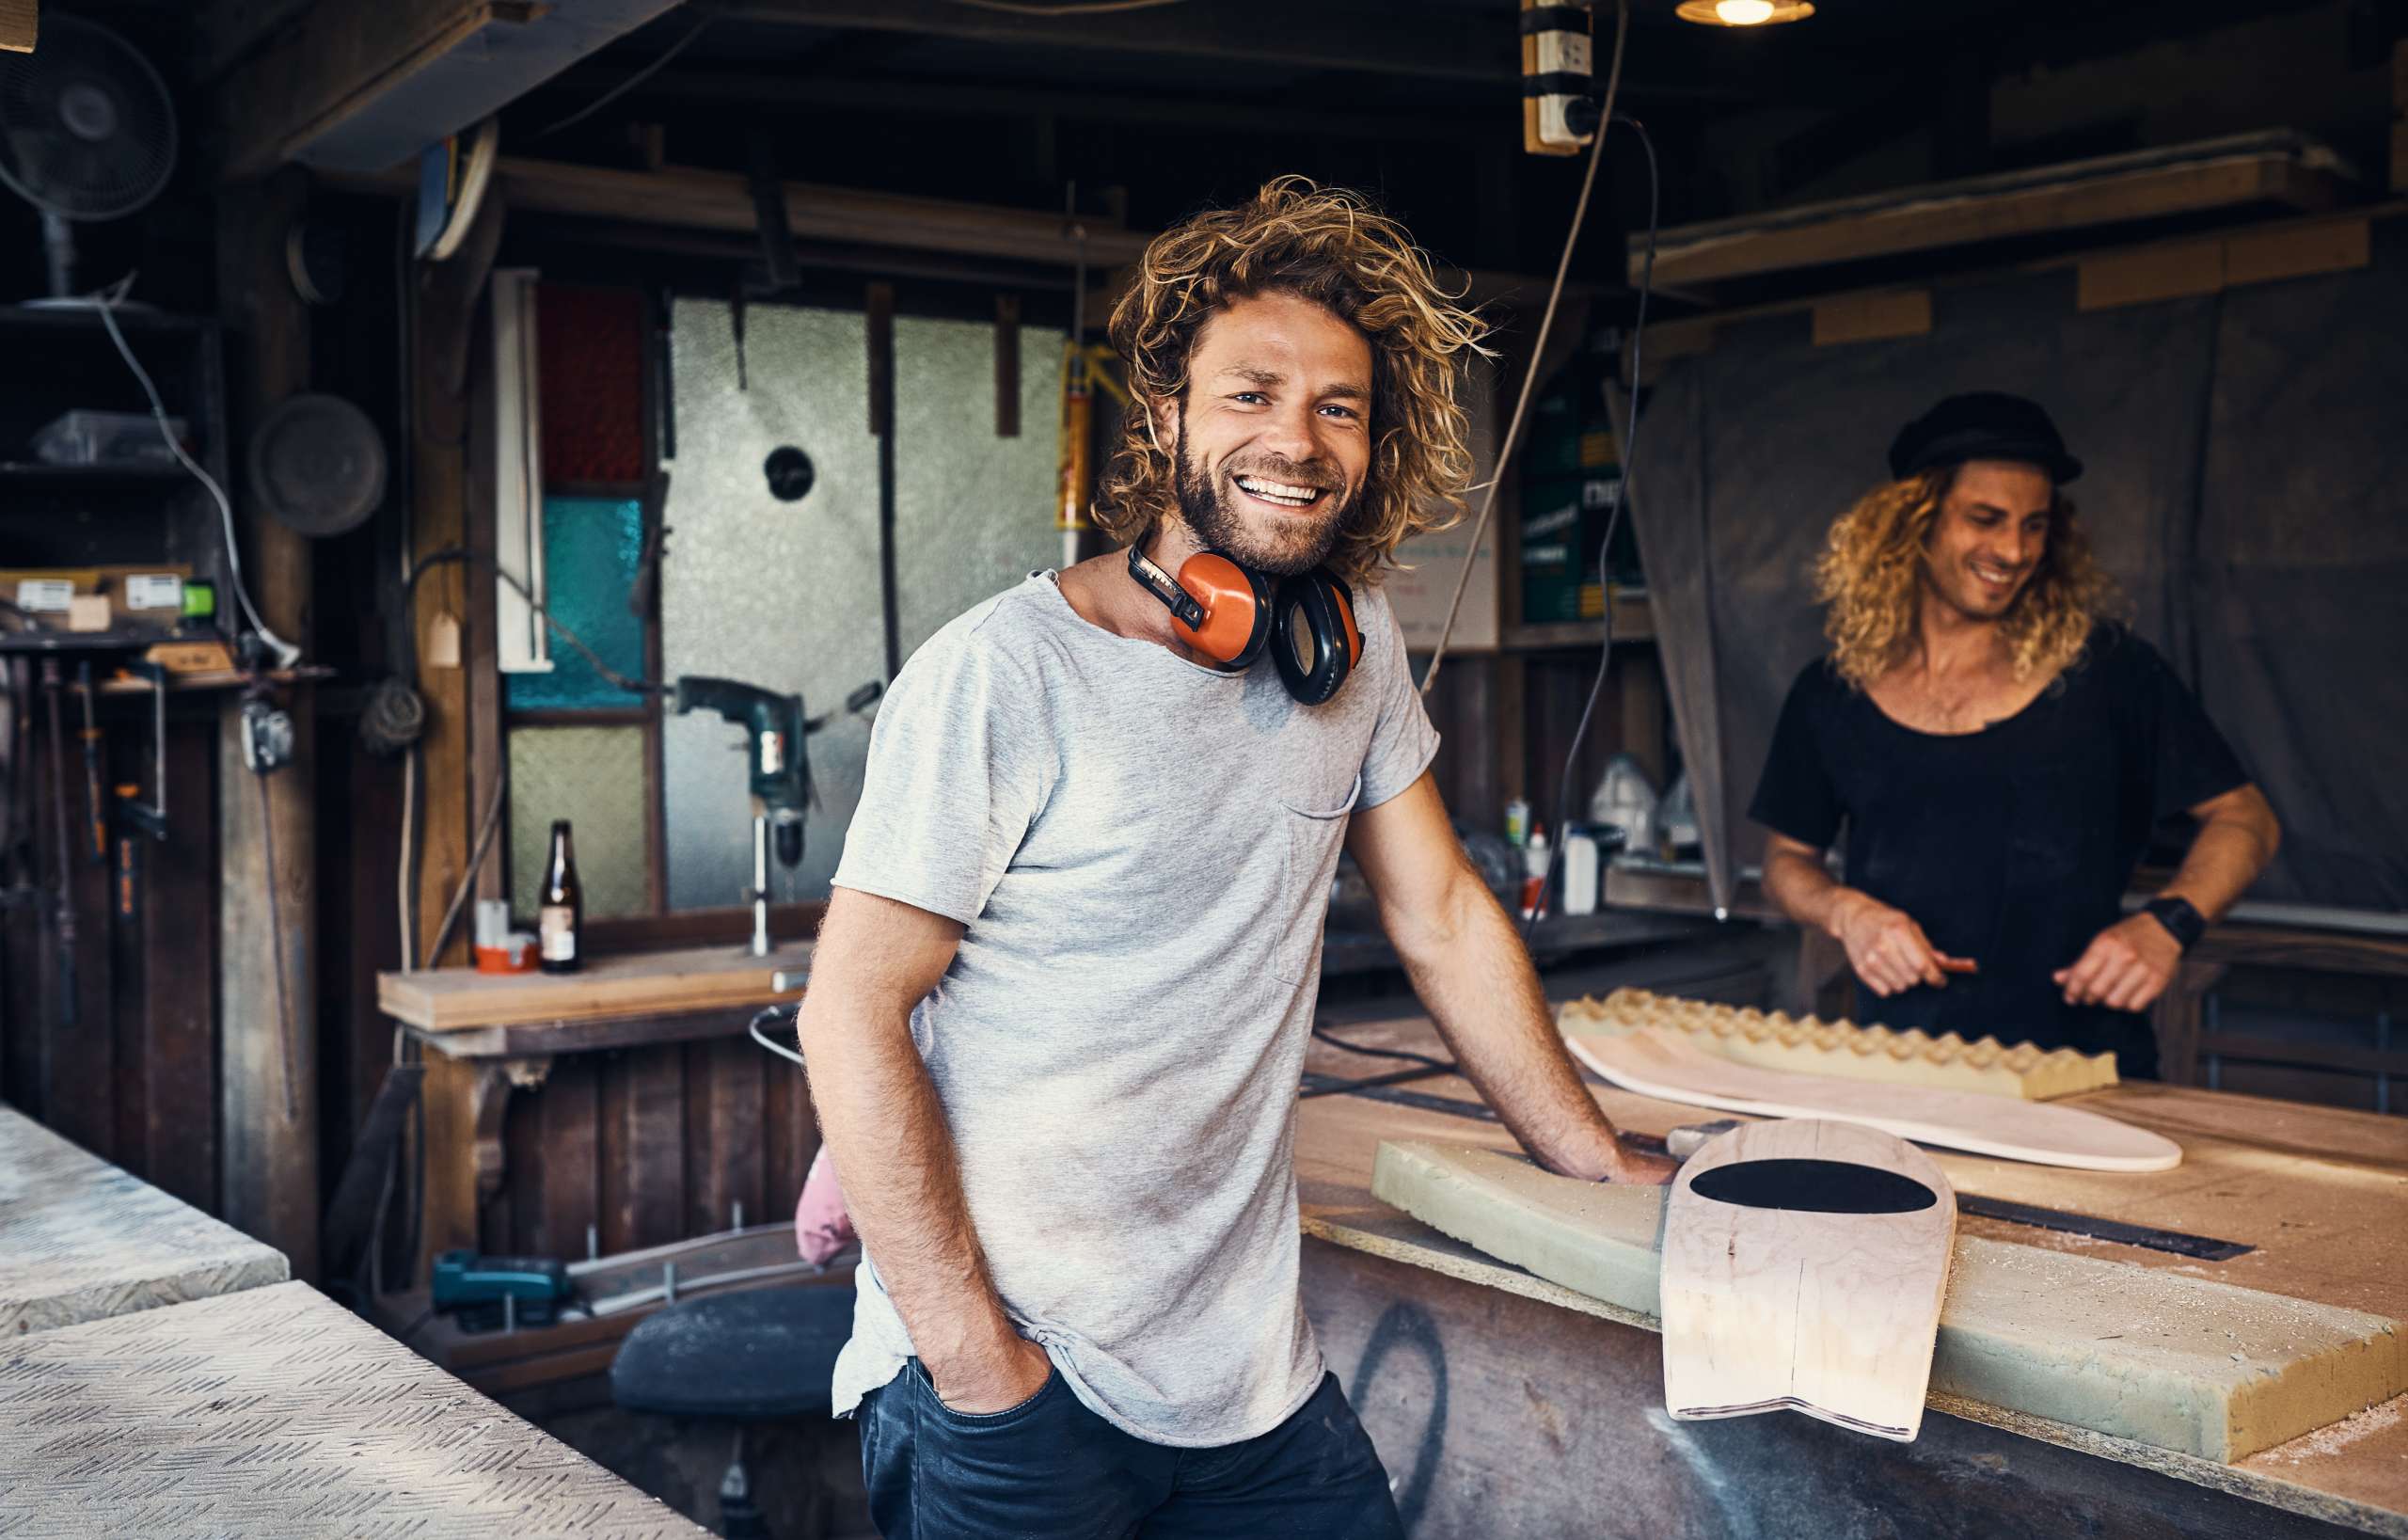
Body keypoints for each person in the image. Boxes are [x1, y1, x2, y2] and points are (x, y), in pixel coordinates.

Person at [797, 177, 1671, 1540]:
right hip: (1020, 1377)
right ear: (1164, 420)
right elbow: (850, 1004)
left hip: (1250, 1380)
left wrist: (1600, 1160)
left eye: (1339, 406)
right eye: (1249, 393)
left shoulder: (1354, 650)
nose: (1299, 439)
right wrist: (978, 1365)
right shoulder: (1006, 672)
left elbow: (1438, 908)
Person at [1751, 391, 2280, 1076]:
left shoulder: (2108, 672)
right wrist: (1846, 911)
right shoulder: (1832, 691)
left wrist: (2166, 923)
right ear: (1913, 522)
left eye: (2035, 525)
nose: (2013, 549)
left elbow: (2247, 819)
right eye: (1985, 519)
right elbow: (1785, 861)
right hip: (1901, 1075)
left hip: (2087, 1080)